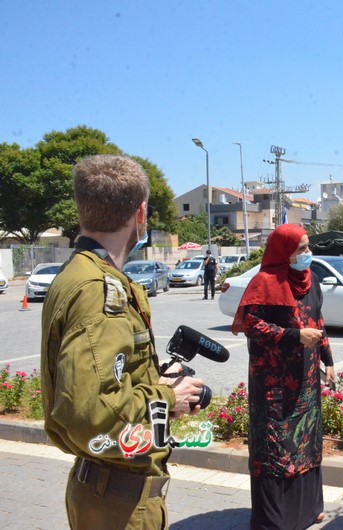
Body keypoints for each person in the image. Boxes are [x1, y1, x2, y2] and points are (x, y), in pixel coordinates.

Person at [40, 155, 205, 529]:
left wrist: (156, 382)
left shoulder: (81, 273)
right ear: (141, 213)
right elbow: (92, 414)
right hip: (119, 501)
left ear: (83, 210)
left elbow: (101, 380)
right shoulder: (98, 289)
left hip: (107, 489)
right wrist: (168, 398)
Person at [232, 224, 336, 530]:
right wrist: (293, 335)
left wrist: (328, 361)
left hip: (306, 380)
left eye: (307, 247)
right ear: (283, 252)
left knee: (306, 442)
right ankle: (275, 520)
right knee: (275, 447)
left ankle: (308, 510)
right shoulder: (263, 282)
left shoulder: (311, 280)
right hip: (273, 386)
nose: (307, 254)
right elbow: (250, 325)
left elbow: (318, 322)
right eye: (300, 249)